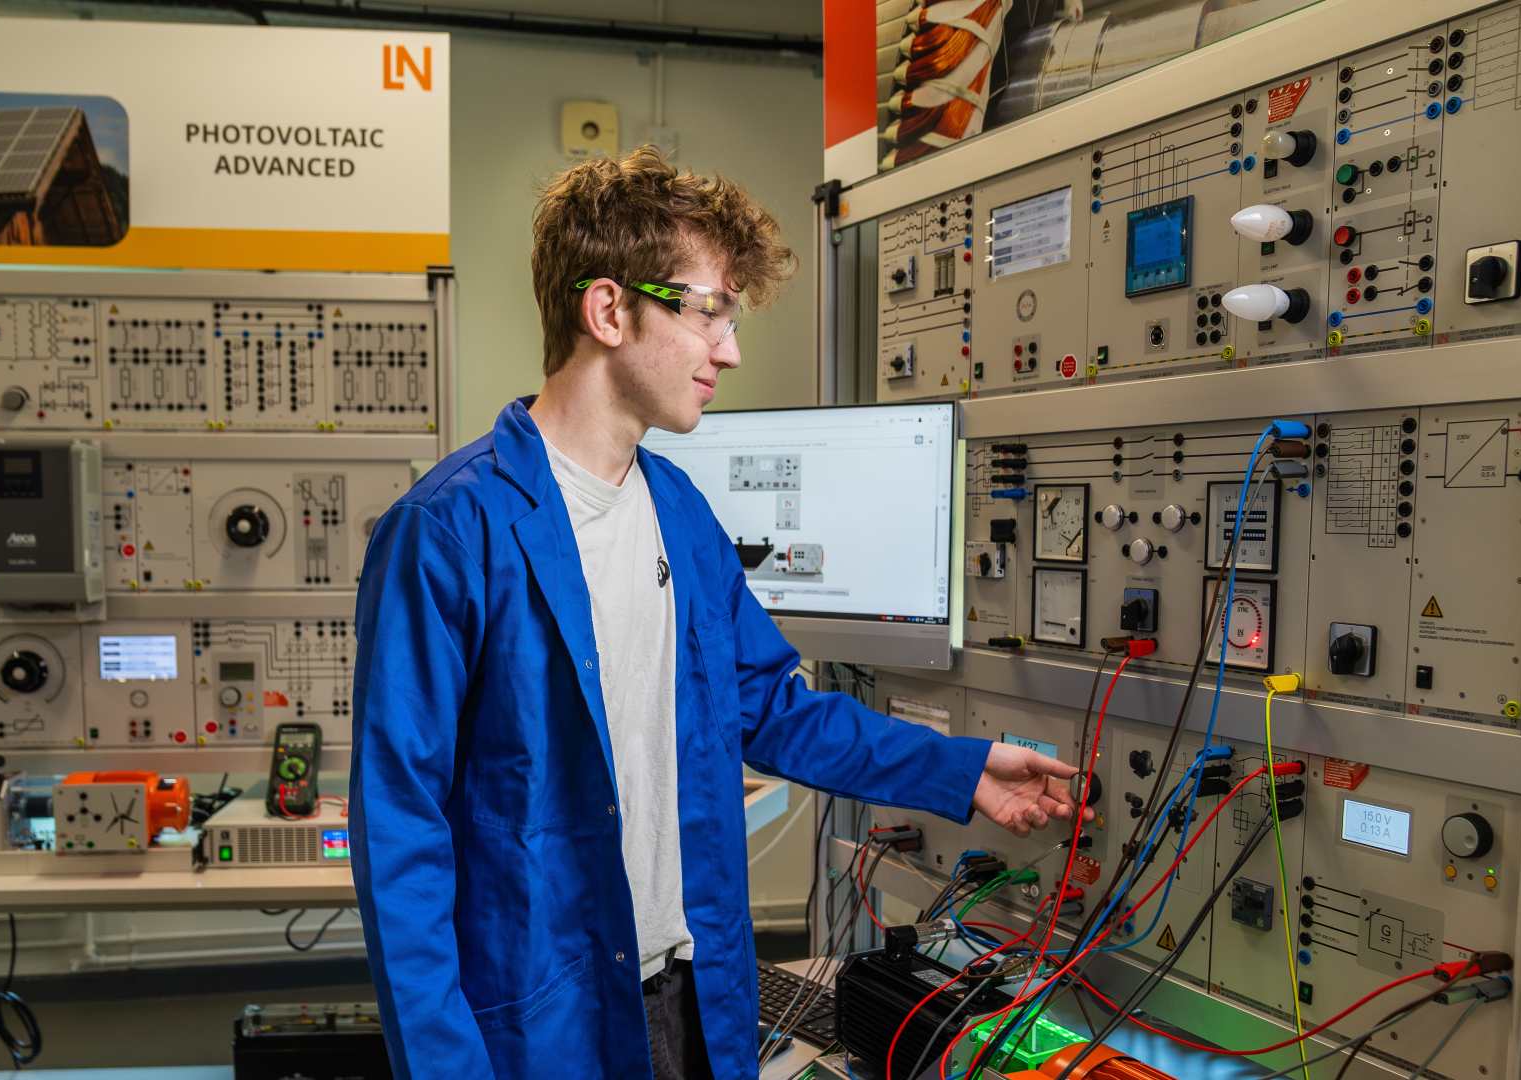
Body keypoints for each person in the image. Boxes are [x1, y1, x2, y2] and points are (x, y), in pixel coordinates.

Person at [349, 145, 1090, 1080]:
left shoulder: (680, 515)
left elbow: (770, 710)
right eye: (709, 311)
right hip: (545, 1021)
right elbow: (399, 835)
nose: (729, 349)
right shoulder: (450, 530)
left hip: (695, 1000)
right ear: (608, 308)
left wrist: (962, 769)